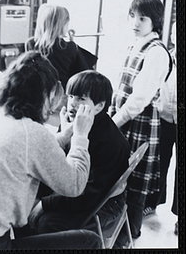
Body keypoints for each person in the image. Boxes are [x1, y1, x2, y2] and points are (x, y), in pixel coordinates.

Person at [0, 51, 101, 250]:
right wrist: (80, 135)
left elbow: (27, 152)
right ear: (44, 95)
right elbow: (75, 184)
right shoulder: (31, 133)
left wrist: (65, 135)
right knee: (90, 240)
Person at [27, 70, 130, 243]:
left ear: (99, 106)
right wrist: (65, 134)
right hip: (79, 194)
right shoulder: (75, 123)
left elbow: (90, 194)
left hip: (103, 204)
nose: (72, 104)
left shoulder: (111, 142)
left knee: (47, 224)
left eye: (81, 99)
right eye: (71, 96)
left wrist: (45, 204)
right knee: (23, 207)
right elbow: (55, 166)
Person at [109, 0, 172, 239]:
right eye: (133, 16)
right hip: (126, 122)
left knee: (134, 184)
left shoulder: (156, 52)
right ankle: (120, 232)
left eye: (142, 18)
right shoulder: (135, 44)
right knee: (121, 180)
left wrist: (114, 122)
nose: (135, 22)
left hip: (140, 124)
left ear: (154, 21)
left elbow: (139, 99)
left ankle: (130, 236)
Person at [25, 4, 97, 126]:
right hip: (60, 98)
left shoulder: (31, 44)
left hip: (38, 96)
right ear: (61, 25)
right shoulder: (70, 47)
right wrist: (71, 41)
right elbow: (82, 70)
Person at [143, 22, 178, 234]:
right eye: (174, 32)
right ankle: (153, 202)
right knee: (160, 162)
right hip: (165, 117)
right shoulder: (166, 57)